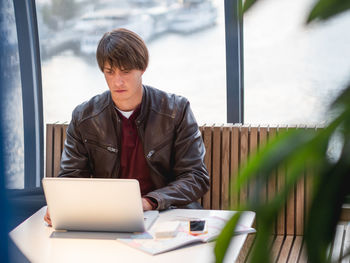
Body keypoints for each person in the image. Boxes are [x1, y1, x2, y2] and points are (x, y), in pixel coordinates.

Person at [44, 28, 209, 226]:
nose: (117, 81)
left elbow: (196, 177)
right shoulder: (84, 117)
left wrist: (149, 202)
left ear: (142, 68)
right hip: (108, 217)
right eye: (110, 72)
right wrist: (61, 204)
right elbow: (71, 178)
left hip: (167, 215)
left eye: (125, 71)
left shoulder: (176, 110)